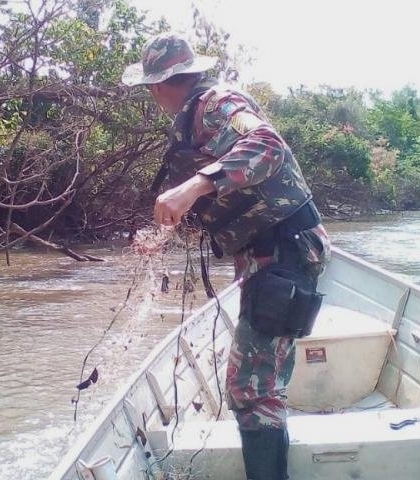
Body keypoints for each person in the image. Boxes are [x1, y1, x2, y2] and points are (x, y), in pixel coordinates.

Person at [122, 33, 331, 479]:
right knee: (254, 387)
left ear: (159, 85)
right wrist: (165, 231)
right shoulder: (196, 119)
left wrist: (195, 184)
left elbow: (268, 145)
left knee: (251, 390)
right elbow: (228, 202)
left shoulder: (218, 104)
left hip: (286, 251)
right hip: (269, 256)